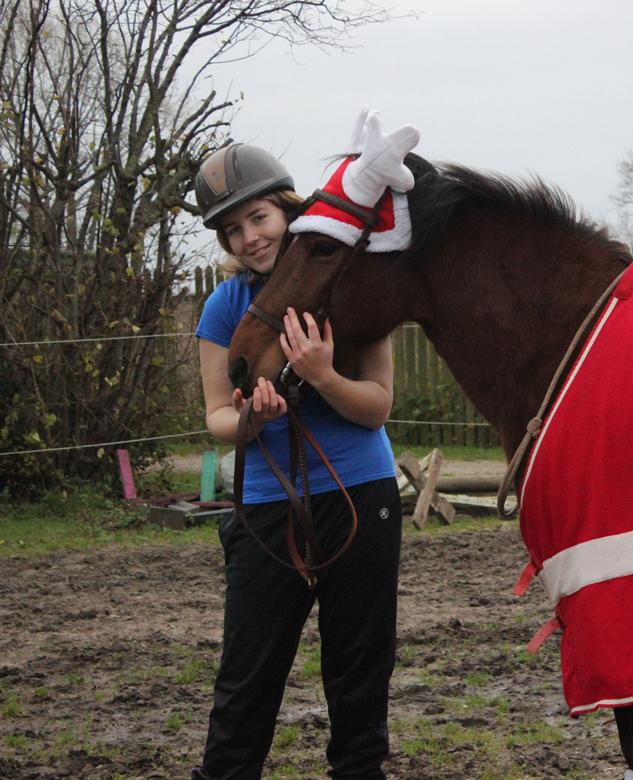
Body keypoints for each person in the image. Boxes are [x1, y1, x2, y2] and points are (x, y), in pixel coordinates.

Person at [191, 142, 402, 780]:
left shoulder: (349, 284)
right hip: (266, 503)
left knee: (359, 661)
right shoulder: (226, 307)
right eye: (233, 228)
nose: (250, 237)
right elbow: (216, 418)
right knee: (249, 667)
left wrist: (321, 377)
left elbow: (377, 406)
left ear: (285, 208)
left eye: (258, 217)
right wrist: (256, 416)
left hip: (361, 491)